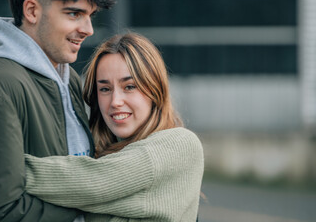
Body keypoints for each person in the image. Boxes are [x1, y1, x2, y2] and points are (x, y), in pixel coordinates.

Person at [0, 0, 114, 221]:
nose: (88, 29)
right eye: (74, 14)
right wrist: (91, 202)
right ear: (31, 11)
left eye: (90, 15)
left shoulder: (67, 77)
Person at [24, 33, 204, 222]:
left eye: (129, 86)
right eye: (105, 89)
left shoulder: (181, 144)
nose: (115, 101)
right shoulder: (94, 154)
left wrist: (6, 171)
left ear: (155, 89)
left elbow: (96, 183)